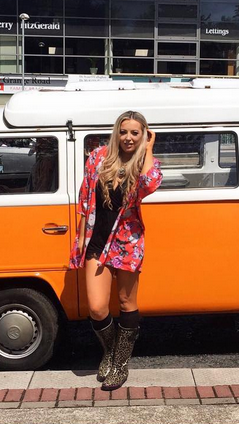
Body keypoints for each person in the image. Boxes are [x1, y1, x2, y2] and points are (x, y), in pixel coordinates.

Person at [69, 110, 162, 390]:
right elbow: (85, 198)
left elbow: (149, 184)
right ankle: (109, 352)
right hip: (97, 241)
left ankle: (120, 365)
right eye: (124, 132)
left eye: (135, 132)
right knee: (97, 308)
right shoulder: (98, 157)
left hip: (127, 243)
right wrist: (80, 239)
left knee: (126, 304)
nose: (128, 138)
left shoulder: (148, 164)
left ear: (143, 134)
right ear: (116, 133)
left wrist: (148, 150)